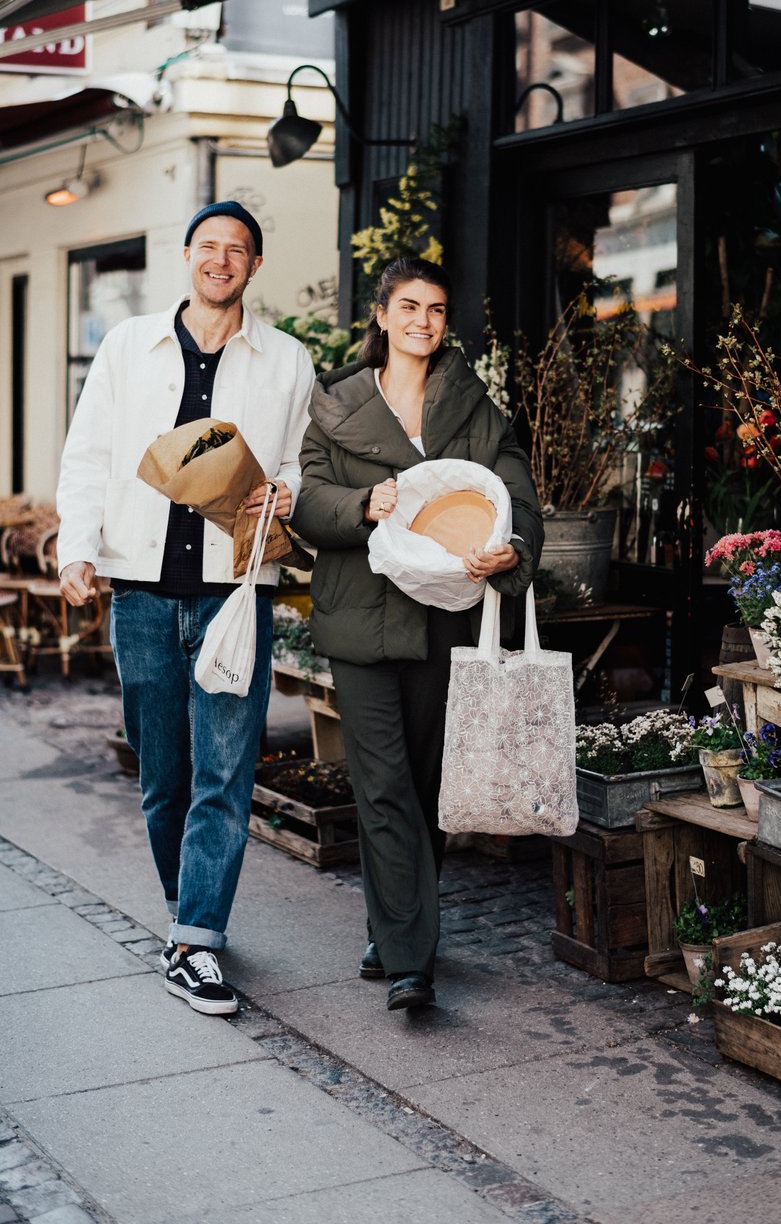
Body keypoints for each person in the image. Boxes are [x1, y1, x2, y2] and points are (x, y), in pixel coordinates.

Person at [57, 201, 315, 1016]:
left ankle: (196, 940)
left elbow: (302, 460)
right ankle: (187, 914)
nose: (221, 259)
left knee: (224, 774)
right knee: (162, 776)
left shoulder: (287, 360)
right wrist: (76, 549)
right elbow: (88, 456)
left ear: (254, 266)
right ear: (187, 255)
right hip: (138, 591)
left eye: (237, 249)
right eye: (210, 246)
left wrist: (288, 490)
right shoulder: (129, 346)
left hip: (235, 594)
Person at [293, 257, 542, 1012]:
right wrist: (362, 504)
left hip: (446, 617)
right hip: (361, 619)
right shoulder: (336, 403)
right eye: (408, 306)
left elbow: (518, 494)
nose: (422, 321)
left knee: (428, 785)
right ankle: (412, 961)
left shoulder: (473, 404)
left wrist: (513, 549)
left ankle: (393, 925)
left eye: (434, 309)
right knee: (382, 786)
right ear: (381, 314)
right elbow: (308, 504)